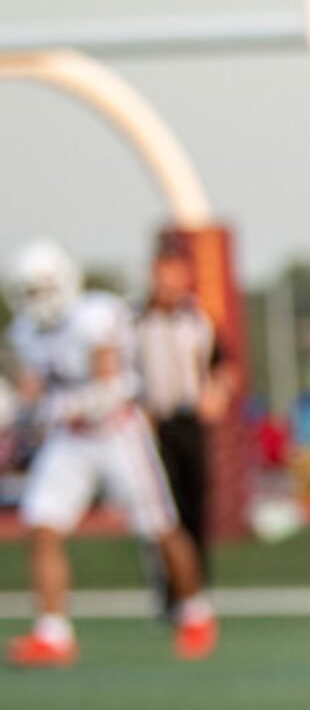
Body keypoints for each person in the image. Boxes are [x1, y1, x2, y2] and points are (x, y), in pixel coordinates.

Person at [6, 239, 218, 665]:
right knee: (41, 524)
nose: (39, 302)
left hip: (117, 430)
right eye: (31, 293)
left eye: (44, 290)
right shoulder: (24, 333)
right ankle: (53, 632)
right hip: (71, 438)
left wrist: (54, 407)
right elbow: (32, 388)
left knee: (159, 525)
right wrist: (24, 407)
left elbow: (107, 385)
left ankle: (195, 612)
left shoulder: (95, 316)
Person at [134, 241, 235, 606]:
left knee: (194, 505)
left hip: (189, 421)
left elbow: (221, 366)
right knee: (160, 512)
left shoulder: (197, 319)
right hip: (150, 425)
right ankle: (168, 593)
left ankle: (198, 591)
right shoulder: (135, 322)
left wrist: (216, 395)